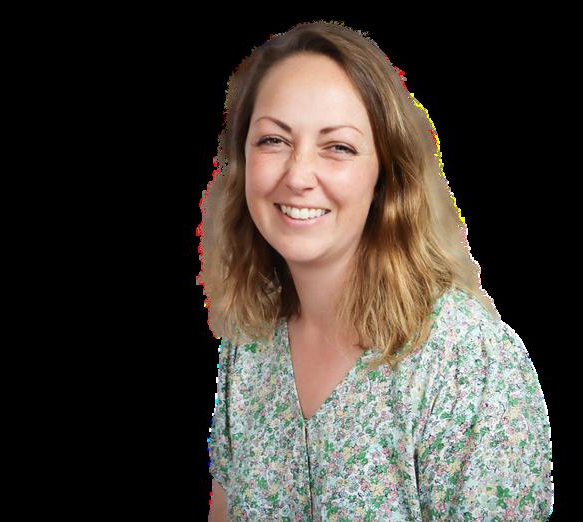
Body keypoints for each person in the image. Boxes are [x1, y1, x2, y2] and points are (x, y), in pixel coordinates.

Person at [199, 20, 554, 521]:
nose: (298, 176)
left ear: (385, 175)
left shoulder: (467, 363)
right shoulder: (250, 342)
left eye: (338, 147)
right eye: (273, 140)